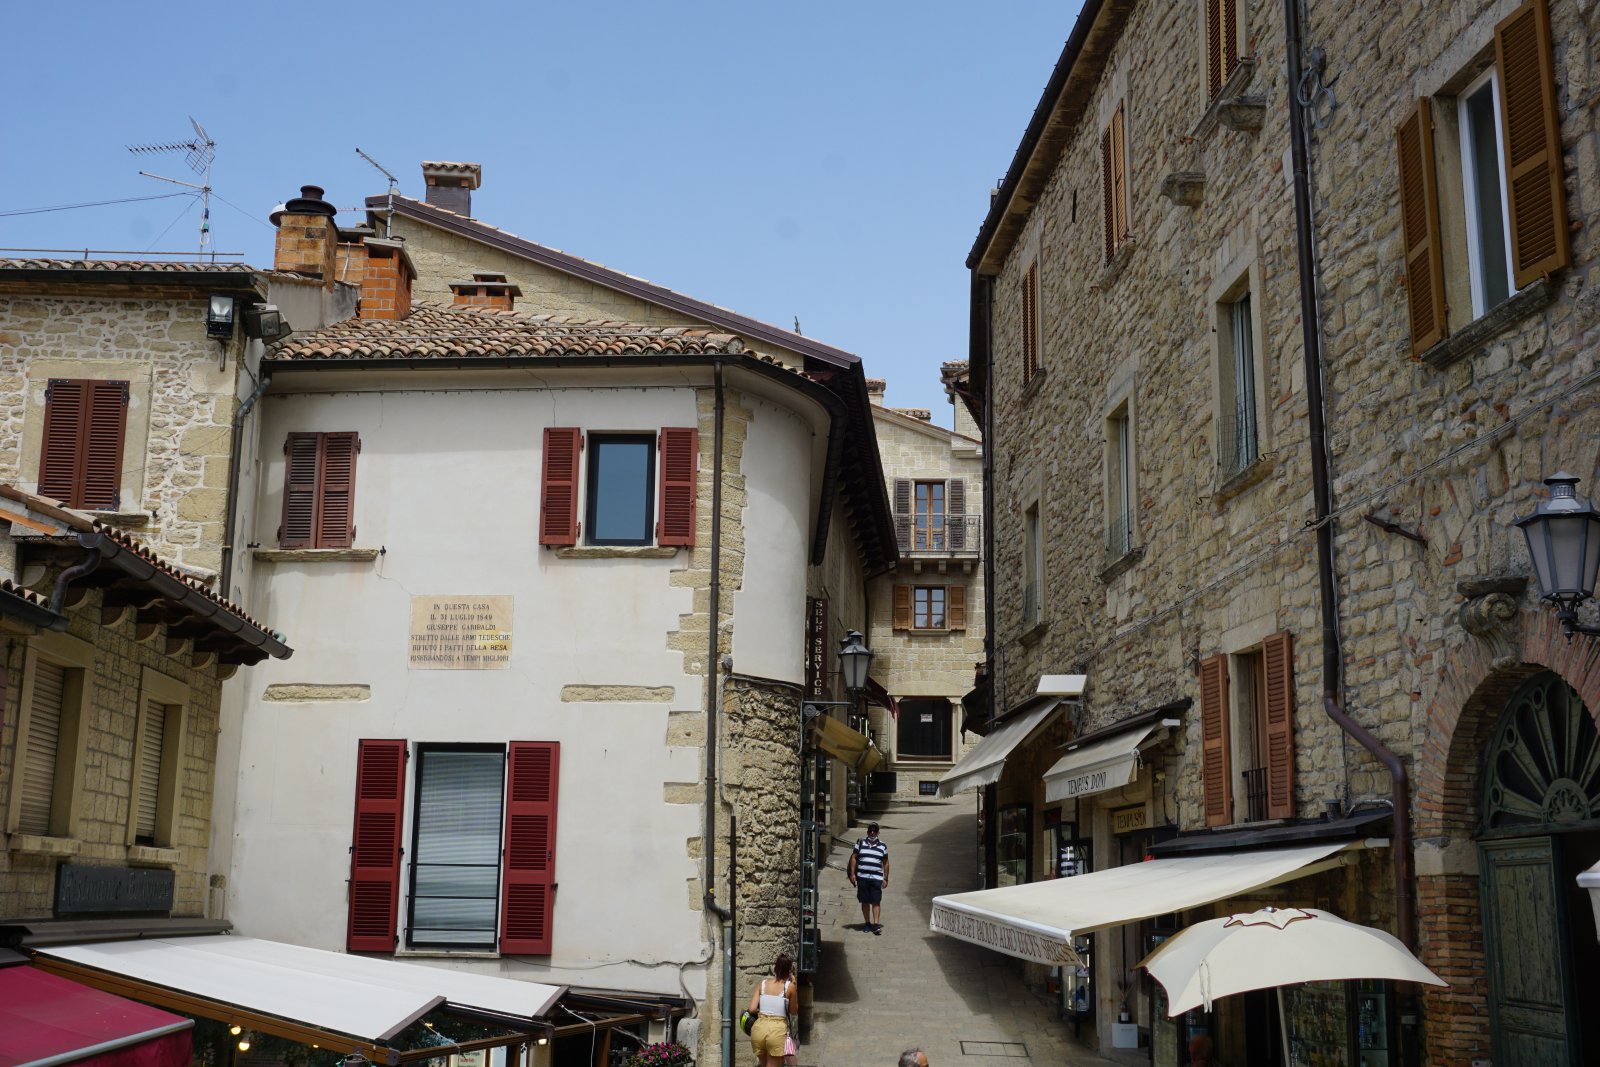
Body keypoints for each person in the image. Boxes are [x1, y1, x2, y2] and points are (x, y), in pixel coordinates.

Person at [746, 953, 798, 1067]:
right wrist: (794, 983)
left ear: (775, 968)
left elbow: (752, 1008)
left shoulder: (762, 984)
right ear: (789, 971)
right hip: (776, 1031)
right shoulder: (790, 987)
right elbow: (793, 1011)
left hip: (759, 1029)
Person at [847, 820, 889, 933]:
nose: (872, 833)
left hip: (876, 878)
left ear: (878, 833)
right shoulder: (860, 843)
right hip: (862, 877)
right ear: (867, 832)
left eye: (874, 831)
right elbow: (854, 858)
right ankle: (867, 923)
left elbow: (885, 862)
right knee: (864, 901)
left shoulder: (883, 846)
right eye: (870, 831)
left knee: (876, 901)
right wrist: (852, 874)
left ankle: (876, 924)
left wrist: (885, 878)